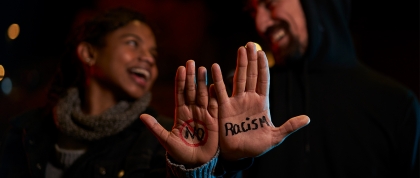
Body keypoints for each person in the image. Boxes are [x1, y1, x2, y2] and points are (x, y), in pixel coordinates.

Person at [0, 7, 310, 178]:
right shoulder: (23, 131)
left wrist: (197, 169)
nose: (148, 57)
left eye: (153, 51)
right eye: (133, 43)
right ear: (88, 54)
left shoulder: (164, 137)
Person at [236, 0, 420, 177]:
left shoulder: (395, 105)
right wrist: (226, 162)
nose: (260, 24)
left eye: (270, 3)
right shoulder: (246, 97)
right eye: (253, 12)